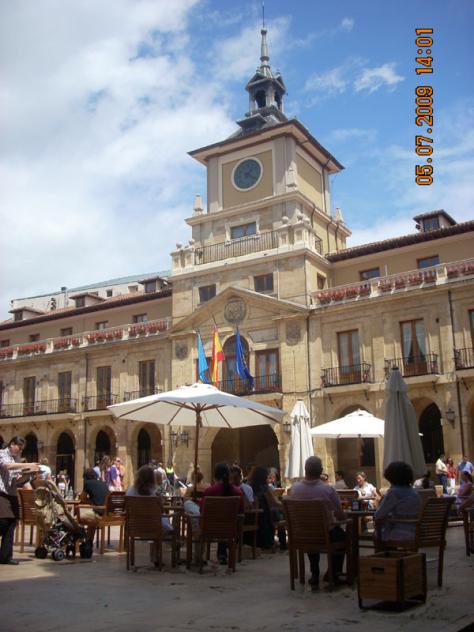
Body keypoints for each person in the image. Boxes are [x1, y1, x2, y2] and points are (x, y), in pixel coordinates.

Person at [290, 456, 347, 589]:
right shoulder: (327, 490)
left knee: (311, 531)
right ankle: (334, 573)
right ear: (321, 471)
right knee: (343, 536)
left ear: (305, 470)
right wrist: (345, 518)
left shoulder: (294, 489)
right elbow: (340, 515)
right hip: (324, 535)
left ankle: (315, 573)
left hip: (302, 535)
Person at [184, 463, 244, 565]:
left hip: (208, 529)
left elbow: (202, 511)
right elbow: (241, 512)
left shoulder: (210, 491)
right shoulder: (238, 492)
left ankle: (197, 553)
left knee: (188, 504)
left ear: (215, 477)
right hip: (231, 529)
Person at [0, 436, 39, 564]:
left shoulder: (14, 459)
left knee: (12, 523)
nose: (20, 451)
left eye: (22, 449)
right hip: (1, 494)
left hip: (11, 494)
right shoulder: (2, 454)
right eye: (19, 448)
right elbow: (7, 466)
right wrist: (28, 464)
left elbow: (16, 481)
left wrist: (28, 475)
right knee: (3, 522)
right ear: (12, 444)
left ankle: (5, 557)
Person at [374, 461, 422, 544]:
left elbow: (378, 515)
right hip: (416, 531)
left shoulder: (394, 493)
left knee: (377, 534)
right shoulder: (414, 492)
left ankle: (385, 552)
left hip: (400, 533)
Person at [249, 466, 286, 552]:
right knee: (282, 515)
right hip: (266, 517)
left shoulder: (250, 487)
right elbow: (275, 503)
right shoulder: (265, 488)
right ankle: (283, 543)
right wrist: (285, 506)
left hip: (254, 516)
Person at [126, 465, 172, 532]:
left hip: (134, 527)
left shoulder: (130, 492)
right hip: (153, 527)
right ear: (152, 478)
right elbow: (161, 511)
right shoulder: (155, 494)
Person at [79, 468, 109, 542]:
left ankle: (80, 541)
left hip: (98, 514)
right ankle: (89, 542)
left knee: (76, 518)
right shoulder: (103, 483)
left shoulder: (88, 483)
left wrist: (90, 501)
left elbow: (82, 498)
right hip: (106, 513)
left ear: (85, 477)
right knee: (91, 520)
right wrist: (92, 501)